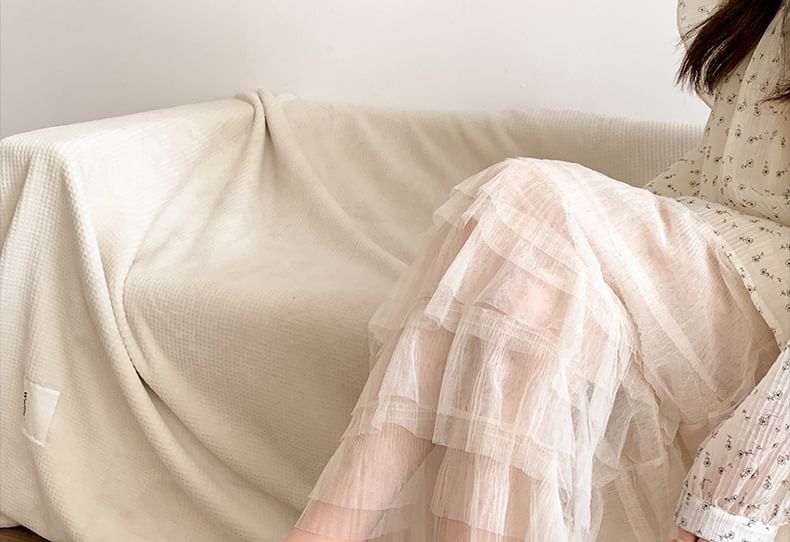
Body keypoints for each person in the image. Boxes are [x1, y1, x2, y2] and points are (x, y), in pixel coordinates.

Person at [283, 0, 789, 540]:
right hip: (701, 254)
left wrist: (728, 509)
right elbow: (716, 175)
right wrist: (593, 256)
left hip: (767, 309)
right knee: (527, 297)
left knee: (523, 195)